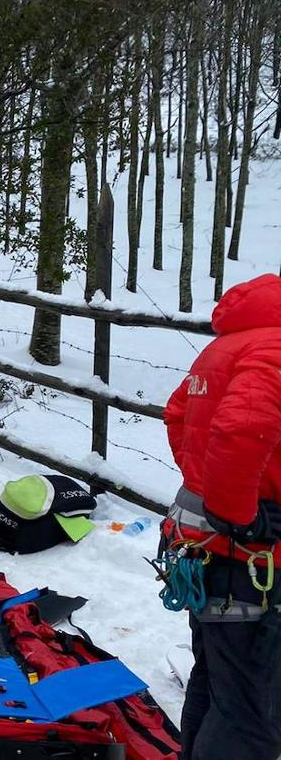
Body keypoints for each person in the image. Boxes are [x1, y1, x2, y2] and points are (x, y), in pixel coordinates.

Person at [161, 273, 281, 760]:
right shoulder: (273, 350)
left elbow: (176, 415)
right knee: (253, 716)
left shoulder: (229, 347)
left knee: (214, 683)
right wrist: (239, 511)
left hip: (208, 549)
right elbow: (241, 429)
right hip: (247, 556)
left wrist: (203, 479)